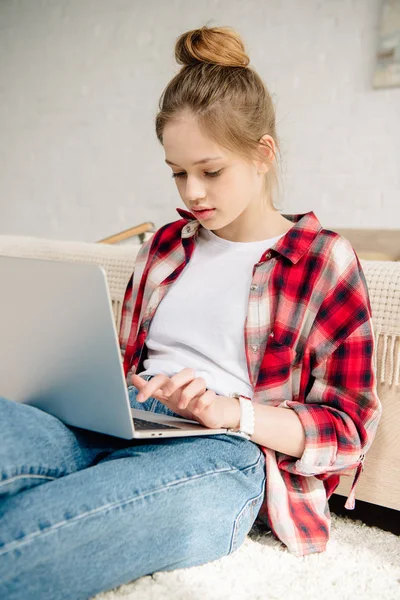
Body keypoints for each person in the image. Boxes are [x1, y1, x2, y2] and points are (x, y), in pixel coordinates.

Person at [0, 24, 382, 600]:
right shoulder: (163, 246)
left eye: (211, 170)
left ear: (263, 154)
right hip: (120, 418)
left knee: (45, 526)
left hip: (222, 452)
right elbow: (124, 359)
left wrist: (232, 412)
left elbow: (349, 429)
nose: (193, 193)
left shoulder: (324, 259)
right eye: (178, 173)